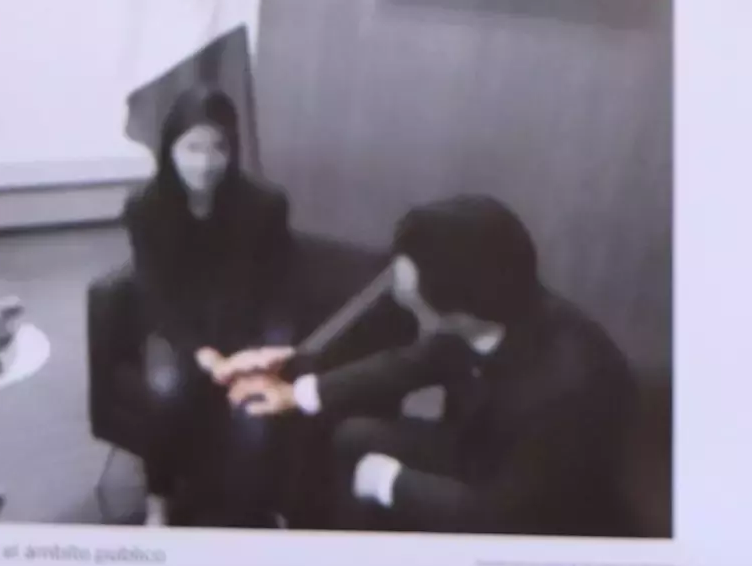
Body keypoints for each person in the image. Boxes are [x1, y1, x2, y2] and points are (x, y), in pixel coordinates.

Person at [217, 193, 642, 535]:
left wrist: (391, 482)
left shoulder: (569, 386)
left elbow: (502, 514)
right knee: (353, 436)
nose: (419, 324)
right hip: (480, 450)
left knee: (374, 471)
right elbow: (404, 365)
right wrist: (295, 393)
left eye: (420, 310)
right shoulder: (494, 313)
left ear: (463, 307)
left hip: (535, 512)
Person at [116, 89, 302, 523]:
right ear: (171, 149)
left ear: (233, 149)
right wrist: (201, 352)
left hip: (247, 331)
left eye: (218, 148)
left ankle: (256, 509)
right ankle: (158, 502)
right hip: (179, 328)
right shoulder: (145, 207)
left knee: (255, 409)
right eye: (192, 148)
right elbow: (155, 295)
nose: (205, 162)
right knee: (164, 389)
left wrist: (263, 352)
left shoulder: (265, 204)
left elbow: (280, 291)